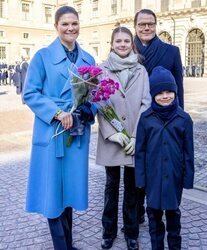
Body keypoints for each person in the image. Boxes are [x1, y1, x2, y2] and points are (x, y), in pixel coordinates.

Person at [23, 6, 96, 250]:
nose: (70, 28)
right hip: (52, 132)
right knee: (53, 192)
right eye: (65, 24)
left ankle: (68, 244)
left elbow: (95, 95)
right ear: (56, 26)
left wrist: (88, 109)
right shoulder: (42, 57)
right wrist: (57, 112)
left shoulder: (88, 59)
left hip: (75, 134)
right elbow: (30, 93)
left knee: (69, 193)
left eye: (74, 23)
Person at [96, 26, 151, 250]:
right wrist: (112, 133)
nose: (122, 44)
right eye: (118, 41)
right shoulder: (101, 71)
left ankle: (131, 233)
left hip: (133, 139)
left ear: (132, 44)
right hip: (113, 139)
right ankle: (108, 231)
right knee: (111, 187)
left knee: (132, 189)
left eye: (126, 41)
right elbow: (98, 103)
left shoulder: (141, 70)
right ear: (111, 43)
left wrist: (137, 136)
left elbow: (146, 103)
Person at [134, 8, 184, 224]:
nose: (146, 28)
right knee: (137, 168)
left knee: (159, 167)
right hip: (134, 119)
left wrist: (179, 122)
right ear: (135, 27)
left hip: (161, 121)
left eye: (150, 24)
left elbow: (178, 90)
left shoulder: (171, 51)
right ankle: (135, 212)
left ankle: (158, 208)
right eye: (142, 24)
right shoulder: (124, 49)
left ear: (156, 25)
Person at [135, 66, 194, 250]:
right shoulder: (146, 119)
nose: (165, 96)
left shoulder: (184, 119)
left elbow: (188, 152)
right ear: (153, 95)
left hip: (174, 177)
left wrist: (187, 178)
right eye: (160, 93)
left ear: (175, 92)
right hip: (153, 178)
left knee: (173, 217)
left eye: (169, 91)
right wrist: (141, 179)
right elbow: (140, 151)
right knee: (153, 217)